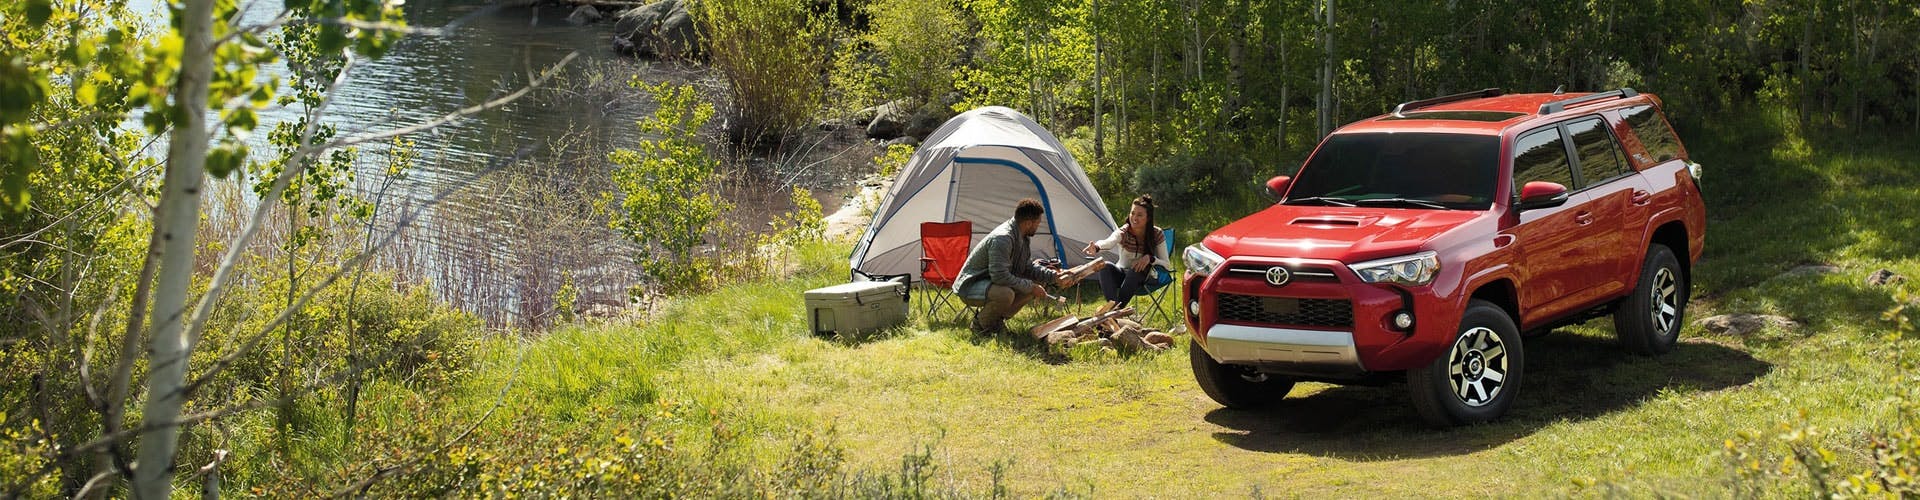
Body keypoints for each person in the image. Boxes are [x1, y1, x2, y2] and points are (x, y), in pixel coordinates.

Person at [954, 198, 1079, 334]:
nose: (1038, 227)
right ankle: (980, 325)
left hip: (990, 283)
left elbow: (1028, 267)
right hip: (972, 285)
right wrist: (1031, 287)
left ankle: (996, 320)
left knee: (1036, 282)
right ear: (1028, 223)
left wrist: (1055, 276)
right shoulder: (1003, 238)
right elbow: (1000, 276)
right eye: (1037, 223)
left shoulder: (1022, 236)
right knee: (1005, 294)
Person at [1081, 194, 1169, 315]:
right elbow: (1109, 241)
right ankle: (1115, 313)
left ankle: (1113, 314)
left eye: (1139, 215)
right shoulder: (1124, 232)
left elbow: (1167, 265)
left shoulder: (1157, 234)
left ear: (1148, 218)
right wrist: (1096, 247)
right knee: (1104, 266)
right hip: (1123, 274)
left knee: (1135, 270)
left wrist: (1151, 258)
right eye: (1132, 213)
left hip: (1147, 277)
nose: (1134, 218)